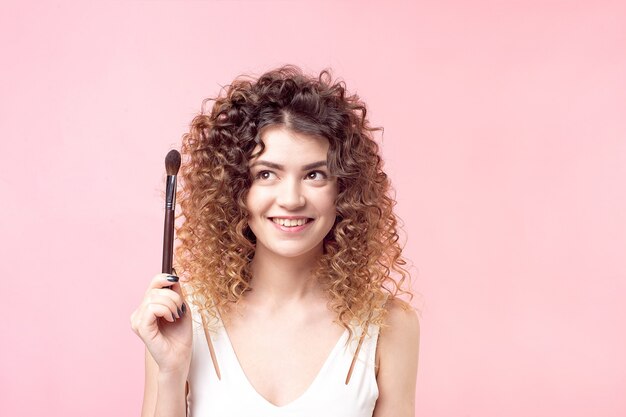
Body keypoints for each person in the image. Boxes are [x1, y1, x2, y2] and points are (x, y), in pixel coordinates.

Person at [130, 65, 420, 417]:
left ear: (345, 188)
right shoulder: (180, 319)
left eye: (314, 174)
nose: (292, 199)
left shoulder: (389, 325)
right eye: (266, 174)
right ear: (236, 189)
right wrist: (171, 373)